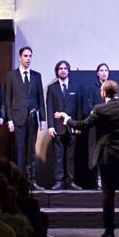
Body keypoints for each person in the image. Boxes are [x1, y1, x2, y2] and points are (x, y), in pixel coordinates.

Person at [55, 80, 119, 237]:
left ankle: (109, 231)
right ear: (116, 93)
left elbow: (82, 125)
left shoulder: (99, 109)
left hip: (107, 155)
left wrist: (67, 118)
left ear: (103, 93)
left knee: (108, 193)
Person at [5, 46, 46, 190]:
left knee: (31, 151)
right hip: (17, 118)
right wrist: (9, 119)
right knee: (19, 150)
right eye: (25, 56)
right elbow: (8, 99)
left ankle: (31, 181)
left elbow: (41, 98)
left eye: (30, 56)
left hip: (33, 118)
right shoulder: (11, 75)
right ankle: (18, 181)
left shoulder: (36, 75)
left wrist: (43, 119)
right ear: (20, 57)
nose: (28, 59)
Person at [46, 60, 83, 190]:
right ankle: (59, 181)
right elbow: (49, 107)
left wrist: (78, 126)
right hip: (57, 128)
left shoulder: (76, 86)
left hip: (72, 127)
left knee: (71, 156)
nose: (63, 70)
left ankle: (70, 181)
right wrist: (50, 126)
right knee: (58, 156)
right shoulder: (52, 88)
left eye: (65, 68)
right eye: (60, 68)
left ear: (68, 70)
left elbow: (79, 107)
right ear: (57, 71)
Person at [82, 63, 110, 189]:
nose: (104, 73)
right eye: (101, 70)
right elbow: (89, 107)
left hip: (109, 126)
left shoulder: (112, 88)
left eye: (106, 70)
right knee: (95, 153)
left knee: (108, 154)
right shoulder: (92, 89)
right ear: (97, 73)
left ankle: (107, 180)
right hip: (95, 125)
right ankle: (96, 180)